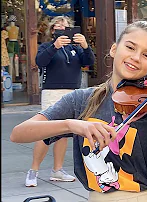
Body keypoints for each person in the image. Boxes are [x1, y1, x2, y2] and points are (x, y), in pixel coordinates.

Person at [10, 20, 147, 201]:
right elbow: (19, 133)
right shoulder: (83, 100)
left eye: (146, 55)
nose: (136, 57)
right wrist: (72, 124)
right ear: (114, 49)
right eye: (130, 47)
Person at [25, 16, 95, 187]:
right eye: (58, 26)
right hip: (52, 92)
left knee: (63, 132)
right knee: (45, 132)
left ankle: (57, 170)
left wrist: (85, 46)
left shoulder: (75, 48)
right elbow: (39, 62)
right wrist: (55, 47)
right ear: (52, 30)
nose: (62, 28)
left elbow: (89, 62)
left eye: (66, 26)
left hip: (72, 92)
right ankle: (33, 171)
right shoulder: (47, 46)